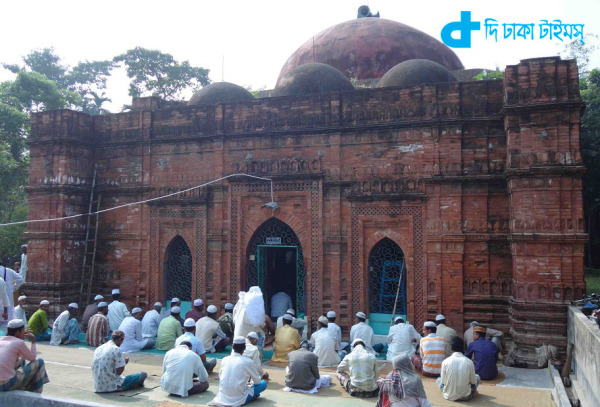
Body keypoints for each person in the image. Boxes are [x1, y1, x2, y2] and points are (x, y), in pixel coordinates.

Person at [208, 336, 267, 406]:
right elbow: (257, 382)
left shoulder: (224, 359)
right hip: (238, 397)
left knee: (222, 382)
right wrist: (249, 384)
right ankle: (251, 396)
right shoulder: (248, 361)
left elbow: (221, 377)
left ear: (232, 346)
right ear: (244, 347)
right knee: (263, 383)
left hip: (223, 396)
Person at [0, 319, 49, 393]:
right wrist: (33, 341)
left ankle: (22, 386)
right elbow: (32, 358)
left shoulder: (1, 340)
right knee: (39, 362)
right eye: (23, 330)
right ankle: (36, 392)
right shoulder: (19, 343)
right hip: (6, 383)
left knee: (21, 360)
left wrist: (21, 336)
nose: (25, 332)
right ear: (17, 333)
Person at [438, 337, 479, 401]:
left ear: (451, 348)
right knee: (477, 377)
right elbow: (473, 382)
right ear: (463, 348)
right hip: (466, 396)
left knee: (438, 380)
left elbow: (443, 382)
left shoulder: (445, 362)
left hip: (449, 396)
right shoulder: (469, 362)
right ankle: (472, 393)